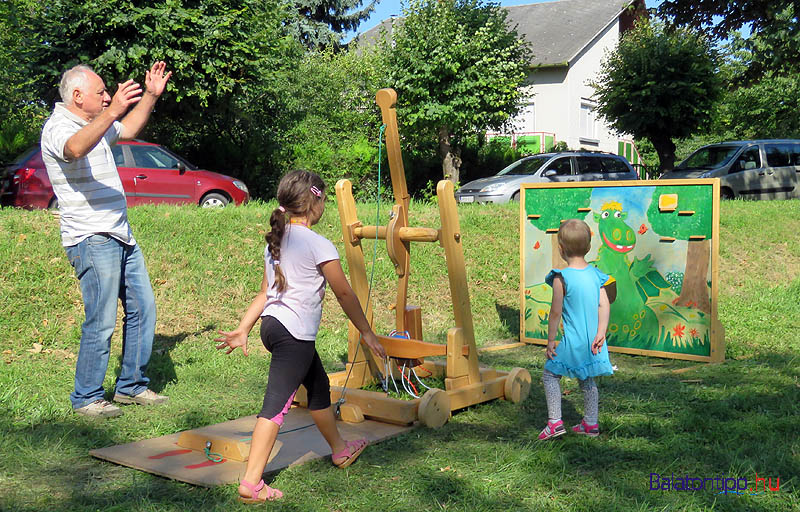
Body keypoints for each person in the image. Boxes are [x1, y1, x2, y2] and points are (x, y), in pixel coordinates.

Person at [215, 170, 387, 503]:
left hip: (274, 327)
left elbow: (265, 293)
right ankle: (251, 484)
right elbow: (345, 294)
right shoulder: (318, 244)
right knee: (276, 407)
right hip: (294, 335)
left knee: (318, 385)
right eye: (324, 199)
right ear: (314, 202)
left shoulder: (278, 241)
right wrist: (367, 332)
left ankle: (339, 449)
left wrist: (245, 328)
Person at [41, 62, 172, 418]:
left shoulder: (94, 122)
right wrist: (113, 107)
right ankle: (86, 397)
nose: (106, 96)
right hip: (91, 236)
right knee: (100, 319)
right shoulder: (58, 127)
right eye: (100, 92)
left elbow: (127, 128)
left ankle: (131, 387)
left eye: (106, 94)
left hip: (121, 233)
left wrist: (149, 96)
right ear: (77, 95)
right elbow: (75, 149)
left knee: (142, 308)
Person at [538, 219, 614, 440]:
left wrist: (551, 340)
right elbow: (605, 304)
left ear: (561, 249)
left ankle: (555, 423)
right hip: (591, 341)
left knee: (550, 375)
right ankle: (590, 424)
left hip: (572, 342)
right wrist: (602, 332)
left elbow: (555, 312)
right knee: (587, 379)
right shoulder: (596, 274)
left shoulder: (562, 278)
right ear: (589, 247)